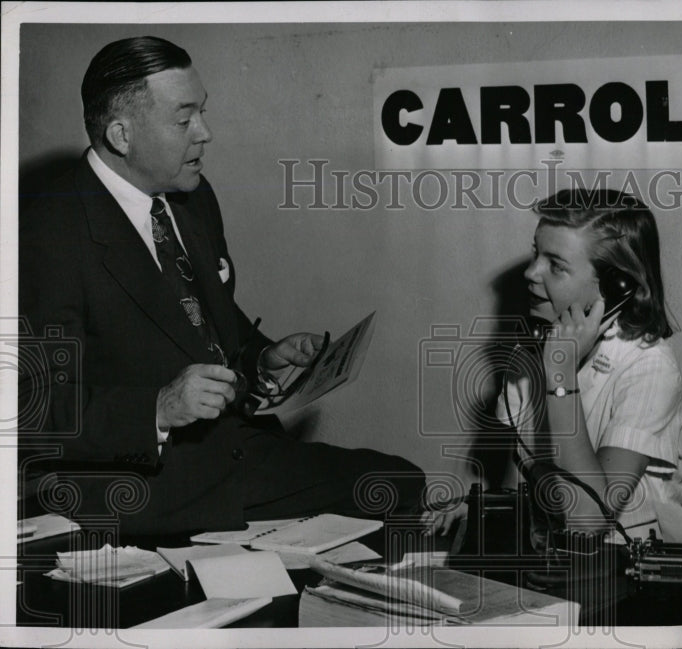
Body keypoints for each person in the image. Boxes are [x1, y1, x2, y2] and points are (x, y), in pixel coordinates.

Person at [18, 36, 424, 536]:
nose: (205, 133)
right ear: (122, 135)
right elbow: (30, 406)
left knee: (401, 481)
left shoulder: (190, 197)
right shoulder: (45, 234)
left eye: (203, 112)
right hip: (136, 482)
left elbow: (198, 317)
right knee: (391, 491)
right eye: (184, 118)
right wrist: (158, 407)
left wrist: (260, 358)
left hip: (231, 449)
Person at [425, 189, 682, 542]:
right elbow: (518, 489)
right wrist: (481, 507)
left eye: (556, 265)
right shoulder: (532, 347)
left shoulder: (650, 367)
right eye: (536, 254)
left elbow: (589, 519)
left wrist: (560, 375)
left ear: (617, 287)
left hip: (624, 567)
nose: (532, 273)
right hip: (551, 560)